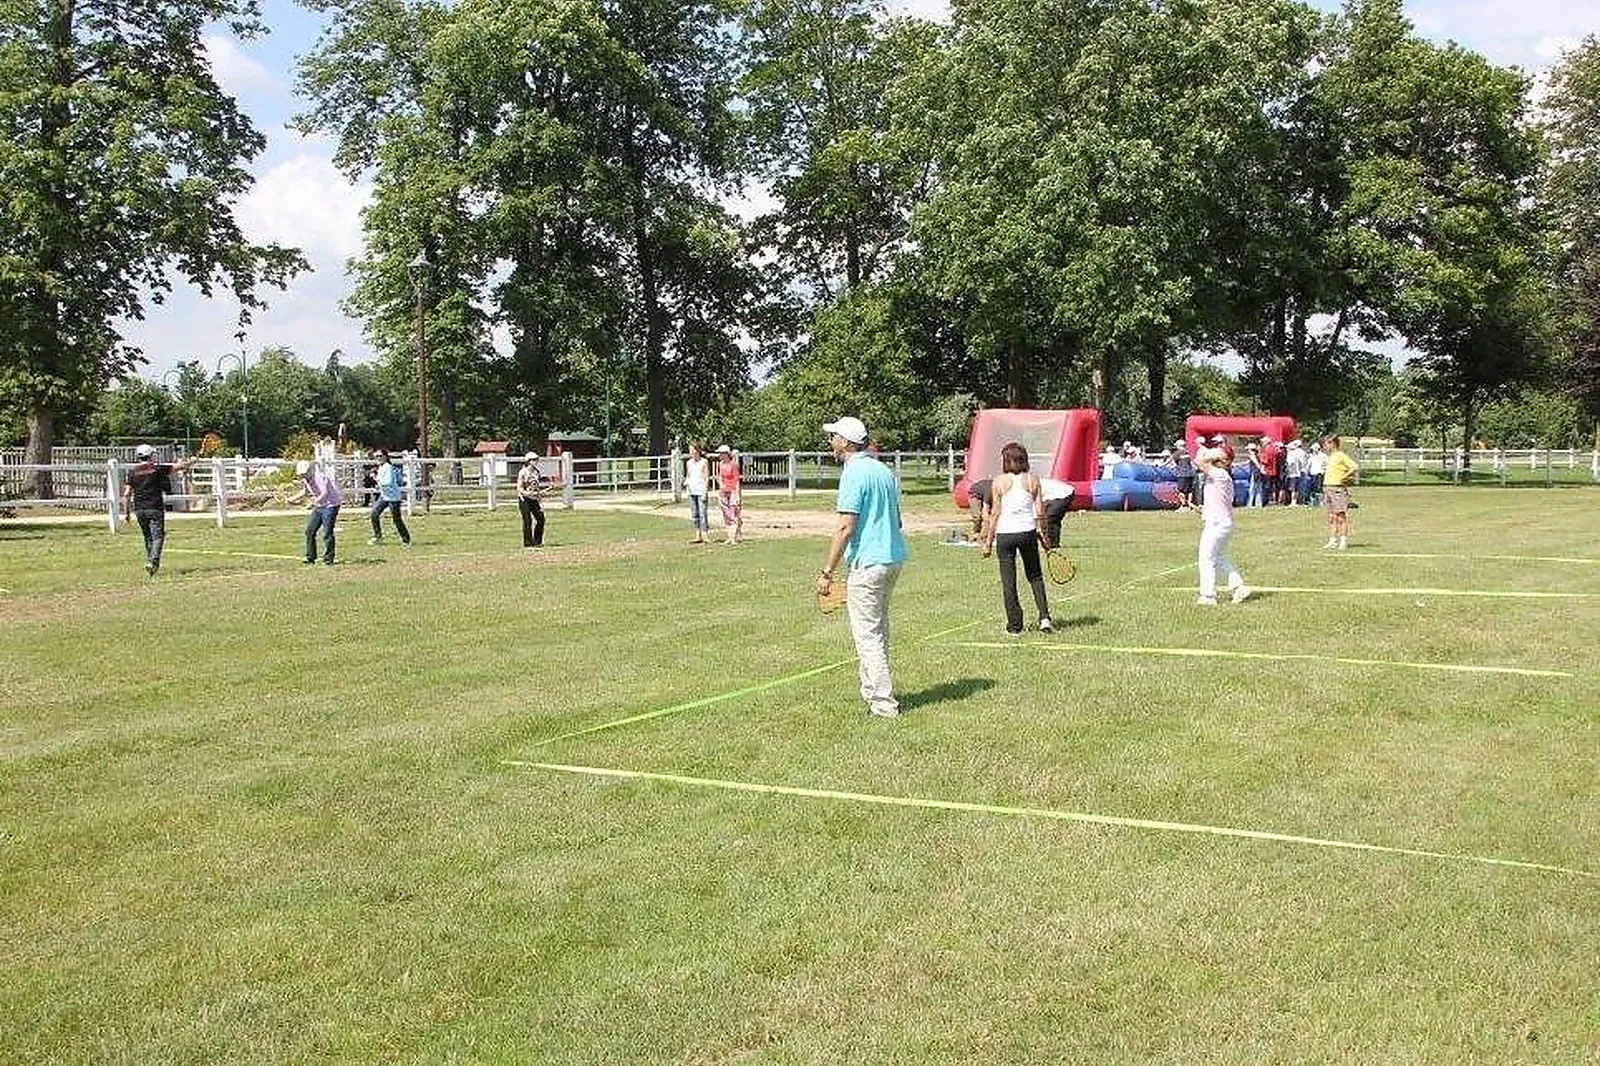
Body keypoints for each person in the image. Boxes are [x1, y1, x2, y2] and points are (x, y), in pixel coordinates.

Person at [816, 416, 908, 718]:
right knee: (878, 630)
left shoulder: (853, 473)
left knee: (868, 636)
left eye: (834, 437)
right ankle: (871, 692)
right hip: (892, 558)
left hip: (868, 563)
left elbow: (845, 526)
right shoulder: (883, 470)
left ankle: (883, 704)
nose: (831, 442)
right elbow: (897, 519)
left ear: (845, 442)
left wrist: (827, 571)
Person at [981, 441, 1053, 635]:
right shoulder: (1033, 480)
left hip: (1005, 535)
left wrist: (988, 542)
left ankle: (1014, 626)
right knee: (1035, 576)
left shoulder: (998, 482)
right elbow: (1040, 511)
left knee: (1008, 581)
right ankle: (1044, 618)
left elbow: (995, 513)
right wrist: (1045, 536)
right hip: (1027, 532)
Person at [120, 444, 196, 576]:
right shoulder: (157, 469)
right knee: (158, 536)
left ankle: (151, 564)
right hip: (155, 507)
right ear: (150, 455)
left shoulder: (132, 472)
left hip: (139, 509)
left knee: (148, 537)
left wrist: (126, 513)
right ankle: (153, 562)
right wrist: (192, 461)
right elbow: (179, 467)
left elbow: (126, 494)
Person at [1196, 437, 1250, 605]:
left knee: (1206, 558)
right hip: (1222, 522)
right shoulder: (1222, 476)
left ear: (1225, 461)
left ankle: (1208, 596)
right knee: (1220, 557)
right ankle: (1238, 587)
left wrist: (1207, 450)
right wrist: (1202, 510)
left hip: (1217, 523)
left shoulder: (1219, 474)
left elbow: (1199, 461)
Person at [288, 458, 342, 565]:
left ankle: (328, 559)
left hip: (331, 505)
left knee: (327, 532)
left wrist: (313, 503)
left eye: (304, 473)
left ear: (310, 470)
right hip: (319, 506)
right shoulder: (306, 479)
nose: (303, 475)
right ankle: (310, 557)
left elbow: (325, 493)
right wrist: (292, 499)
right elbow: (305, 491)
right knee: (310, 531)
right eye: (301, 474)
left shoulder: (320, 477)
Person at [1322, 435, 1360, 549]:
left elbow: (1354, 467)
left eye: (1326, 444)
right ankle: (1333, 540)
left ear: (1333, 443)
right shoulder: (1330, 457)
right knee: (1331, 517)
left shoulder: (1340, 455)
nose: (1324, 446)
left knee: (1340, 516)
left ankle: (1343, 541)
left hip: (1337, 488)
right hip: (1328, 488)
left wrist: (1344, 477)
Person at [368, 449, 410, 546]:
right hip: (384, 496)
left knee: (396, 519)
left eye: (380, 456)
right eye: (376, 456)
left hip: (393, 498)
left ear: (385, 457)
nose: (378, 458)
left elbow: (388, 482)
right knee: (374, 514)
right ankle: (378, 537)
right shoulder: (381, 467)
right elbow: (382, 483)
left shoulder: (388, 467)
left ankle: (406, 539)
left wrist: (376, 479)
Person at [516, 452, 546, 549]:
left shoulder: (537, 472)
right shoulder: (523, 472)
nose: (536, 461)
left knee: (541, 519)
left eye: (536, 459)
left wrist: (539, 499)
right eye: (533, 460)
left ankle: (537, 541)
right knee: (527, 520)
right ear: (528, 461)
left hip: (534, 499)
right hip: (524, 499)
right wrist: (528, 493)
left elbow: (536, 487)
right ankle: (528, 542)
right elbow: (519, 488)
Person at [1039, 474, 1075, 548]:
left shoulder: (1028, 487)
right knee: (1050, 519)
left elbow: (1038, 507)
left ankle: (1052, 544)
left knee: (1051, 518)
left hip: (1063, 494)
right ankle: (1051, 542)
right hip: (1056, 494)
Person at [684, 443, 711, 544]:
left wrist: (705, 491)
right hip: (692, 491)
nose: (691, 452)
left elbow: (706, 477)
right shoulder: (689, 463)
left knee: (702, 513)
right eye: (690, 450)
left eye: (692, 450)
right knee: (694, 514)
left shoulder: (704, 462)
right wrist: (686, 482)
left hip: (701, 490)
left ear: (697, 450)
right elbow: (688, 475)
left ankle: (705, 535)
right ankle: (697, 535)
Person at [716, 444, 742, 545]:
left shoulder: (733, 465)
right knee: (726, 514)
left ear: (726, 454)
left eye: (721, 453)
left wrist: (737, 494)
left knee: (733, 513)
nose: (719, 455)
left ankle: (733, 537)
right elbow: (720, 477)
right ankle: (729, 536)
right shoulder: (721, 464)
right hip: (723, 491)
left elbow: (737, 480)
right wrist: (721, 485)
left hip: (732, 491)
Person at [1171, 438, 1197, 510]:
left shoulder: (1177, 453)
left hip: (1182, 474)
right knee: (1189, 491)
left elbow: (1171, 462)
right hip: (1191, 474)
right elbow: (1193, 463)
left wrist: (1161, 466)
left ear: (1178, 445)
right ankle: (1190, 506)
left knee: (1181, 490)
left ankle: (1183, 506)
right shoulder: (1189, 452)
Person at [966, 476, 993, 541]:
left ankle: (986, 534)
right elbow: (985, 511)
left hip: (985, 492)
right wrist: (988, 524)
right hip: (975, 493)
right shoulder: (989, 491)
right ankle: (975, 533)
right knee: (977, 517)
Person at [1284, 439, 1307, 506]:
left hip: (1293, 473)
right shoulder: (1301, 452)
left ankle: (1293, 501)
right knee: (1297, 488)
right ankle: (1298, 501)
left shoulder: (1292, 453)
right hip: (1299, 472)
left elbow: (1290, 463)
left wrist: (1287, 469)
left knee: (1293, 488)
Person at [1307, 440, 1327, 505]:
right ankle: (1314, 502)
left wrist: (1324, 470)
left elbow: (1326, 464)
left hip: (1319, 473)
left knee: (1319, 488)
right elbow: (1308, 465)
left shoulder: (1323, 456)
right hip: (1312, 473)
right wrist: (1307, 471)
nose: (1314, 450)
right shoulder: (1311, 456)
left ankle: (1321, 501)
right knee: (1313, 488)